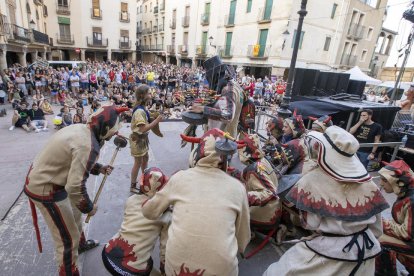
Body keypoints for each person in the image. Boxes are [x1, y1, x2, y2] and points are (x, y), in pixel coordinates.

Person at [263, 126, 389, 276]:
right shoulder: (369, 183)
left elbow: (312, 224)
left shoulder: (312, 180)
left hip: (331, 252)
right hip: (367, 252)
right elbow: (376, 229)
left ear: (322, 149)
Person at [24, 105, 129, 276]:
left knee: (75, 213)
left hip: (52, 179)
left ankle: (80, 245)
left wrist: (99, 168)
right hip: (47, 188)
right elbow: (74, 187)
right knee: (67, 239)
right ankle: (69, 271)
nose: (114, 134)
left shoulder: (81, 129)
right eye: (114, 131)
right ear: (106, 128)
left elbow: (75, 160)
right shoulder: (87, 144)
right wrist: (89, 207)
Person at [142, 129, 250, 275]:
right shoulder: (238, 188)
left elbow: (149, 212)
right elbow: (243, 241)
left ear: (198, 154)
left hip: (177, 269)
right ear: (225, 159)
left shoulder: (179, 178)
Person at [102, 167, 171, 276]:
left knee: (147, 262)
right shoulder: (166, 215)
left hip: (108, 254)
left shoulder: (131, 200)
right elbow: (165, 249)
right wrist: (164, 271)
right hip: (131, 271)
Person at [375, 160, 414, 275]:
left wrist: (382, 222)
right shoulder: (406, 192)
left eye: (385, 180)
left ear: (399, 182)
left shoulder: (411, 200)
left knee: (379, 241)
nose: (381, 183)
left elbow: (407, 234)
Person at [189, 56, 244, 138]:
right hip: (223, 139)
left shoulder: (228, 89)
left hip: (221, 143)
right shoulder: (234, 86)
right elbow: (223, 105)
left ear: (215, 75)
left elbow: (228, 115)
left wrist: (203, 109)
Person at [238, 134, 282, 231]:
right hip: (275, 206)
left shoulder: (254, 169)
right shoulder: (262, 160)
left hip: (269, 212)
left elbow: (270, 192)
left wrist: (244, 197)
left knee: (234, 212)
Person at [130, 85, 163, 193]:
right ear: (141, 95)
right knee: (138, 162)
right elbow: (143, 128)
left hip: (142, 140)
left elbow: (146, 120)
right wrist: (156, 121)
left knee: (146, 158)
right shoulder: (139, 111)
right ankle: (133, 185)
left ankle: (145, 178)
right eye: (148, 93)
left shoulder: (143, 108)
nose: (150, 95)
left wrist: (152, 116)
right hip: (137, 139)